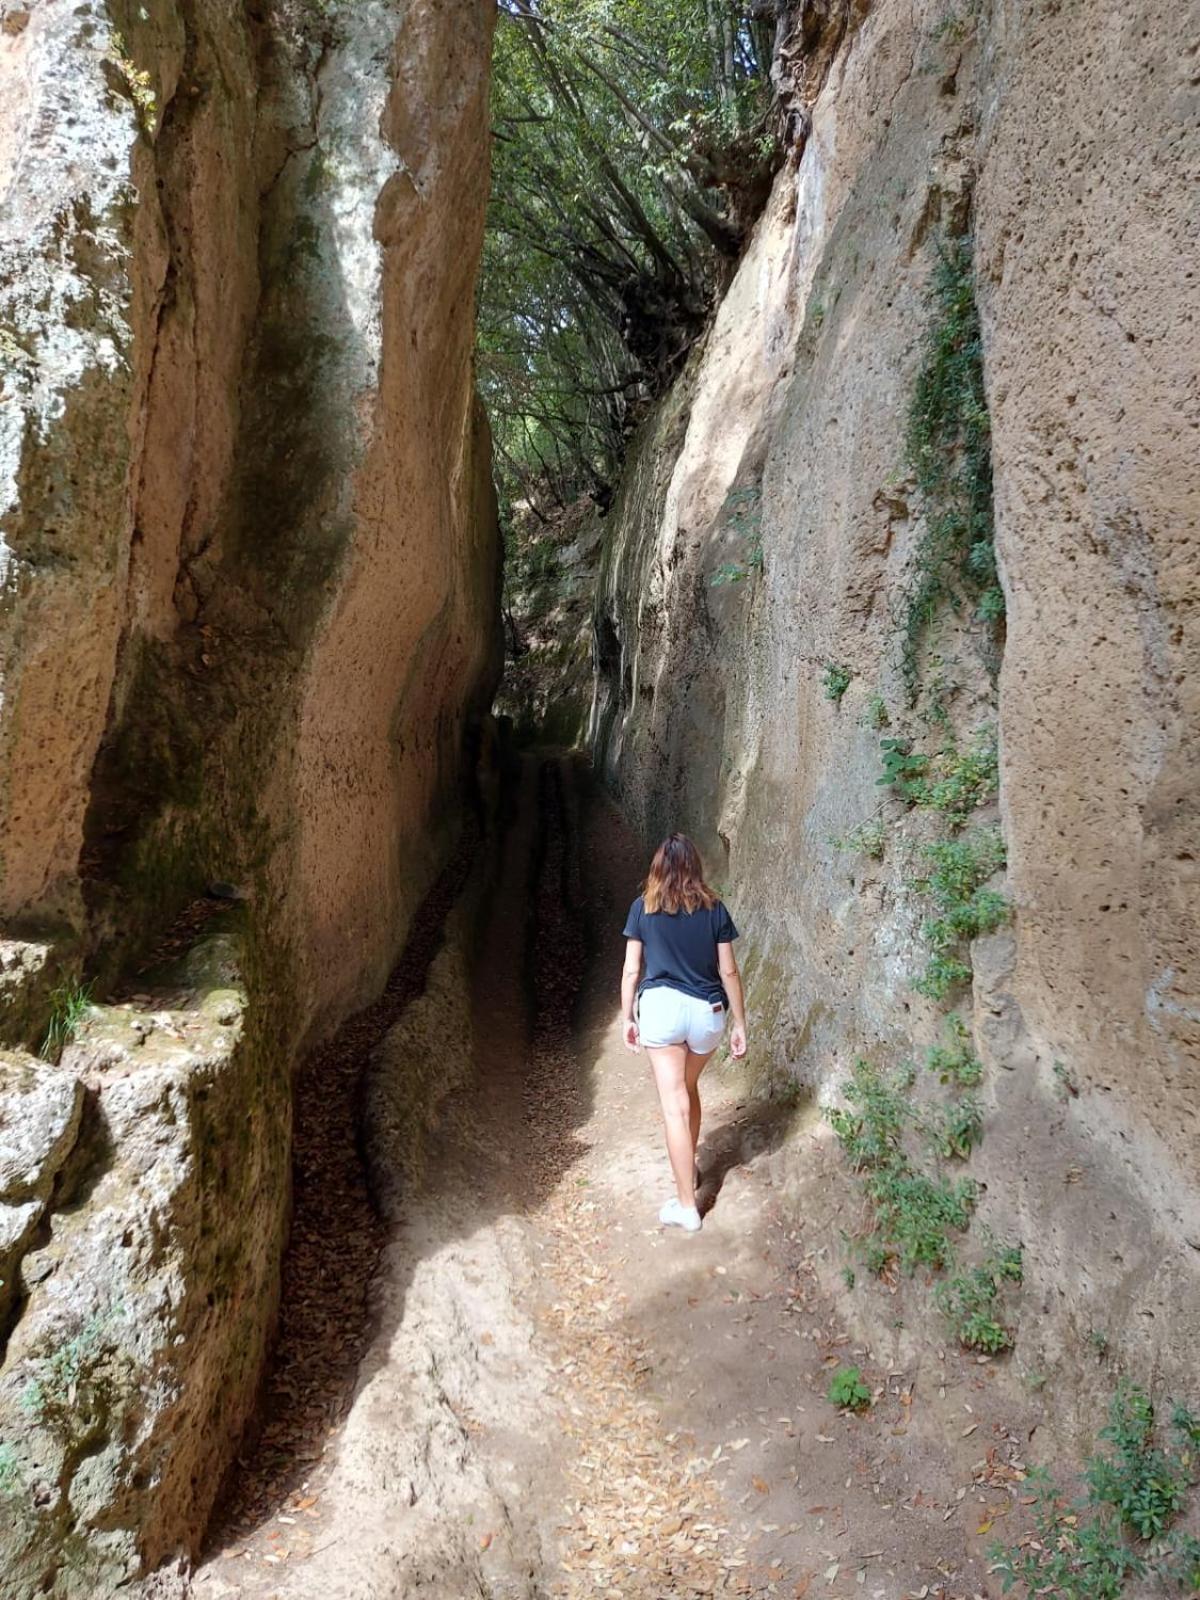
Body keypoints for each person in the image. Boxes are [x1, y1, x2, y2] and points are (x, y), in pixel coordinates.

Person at [621, 834, 747, 1233]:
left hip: (661, 1009)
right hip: (706, 1013)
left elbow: (631, 970)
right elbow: (728, 971)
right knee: (688, 1088)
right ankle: (689, 1169)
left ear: (657, 868)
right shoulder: (715, 910)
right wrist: (740, 1022)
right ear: (695, 867)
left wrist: (627, 1016)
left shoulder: (643, 909)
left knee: (674, 1103)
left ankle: (685, 1205)